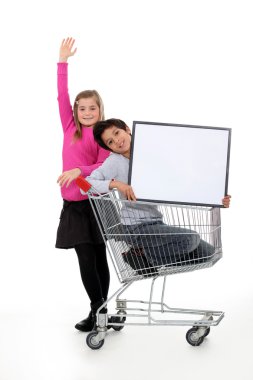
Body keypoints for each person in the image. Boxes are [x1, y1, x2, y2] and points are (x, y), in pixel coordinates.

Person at [81, 118, 231, 271]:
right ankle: (143, 256)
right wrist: (116, 184)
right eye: (110, 142)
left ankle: (149, 258)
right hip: (135, 228)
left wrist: (216, 198)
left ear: (127, 129)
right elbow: (85, 186)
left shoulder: (148, 153)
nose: (117, 141)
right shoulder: (114, 162)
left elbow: (182, 181)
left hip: (156, 223)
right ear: (110, 148)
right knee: (190, 239)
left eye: (117, 133)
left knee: (208, 254)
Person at [55, 37, 111, 332]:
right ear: (76, 111)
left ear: (100, 111)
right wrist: (62, 62)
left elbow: (103, 166)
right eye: (82, 108)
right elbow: (61, 95)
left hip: (95, 204)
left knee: (98, 258)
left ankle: (101, 311)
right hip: (73, 206)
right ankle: (97, 308)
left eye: (93, 108)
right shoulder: (69, 126)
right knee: (85, 259)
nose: (87, 112)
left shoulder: (102, 135)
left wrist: (79, 170)